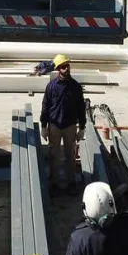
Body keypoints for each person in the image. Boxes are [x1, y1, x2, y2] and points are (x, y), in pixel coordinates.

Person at [40, 54, 86, 195]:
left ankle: (70, 182)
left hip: (70, 126)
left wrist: (82, 128)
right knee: (54, 155)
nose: (66, 69)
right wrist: (43, 126)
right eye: (63, 67)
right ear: (58, 69)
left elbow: (81, 108)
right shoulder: (51, 86)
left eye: (67, 66)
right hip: (54, 125)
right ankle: (53, 183)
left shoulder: (75, 87)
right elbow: (46, 106)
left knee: (70, 156)